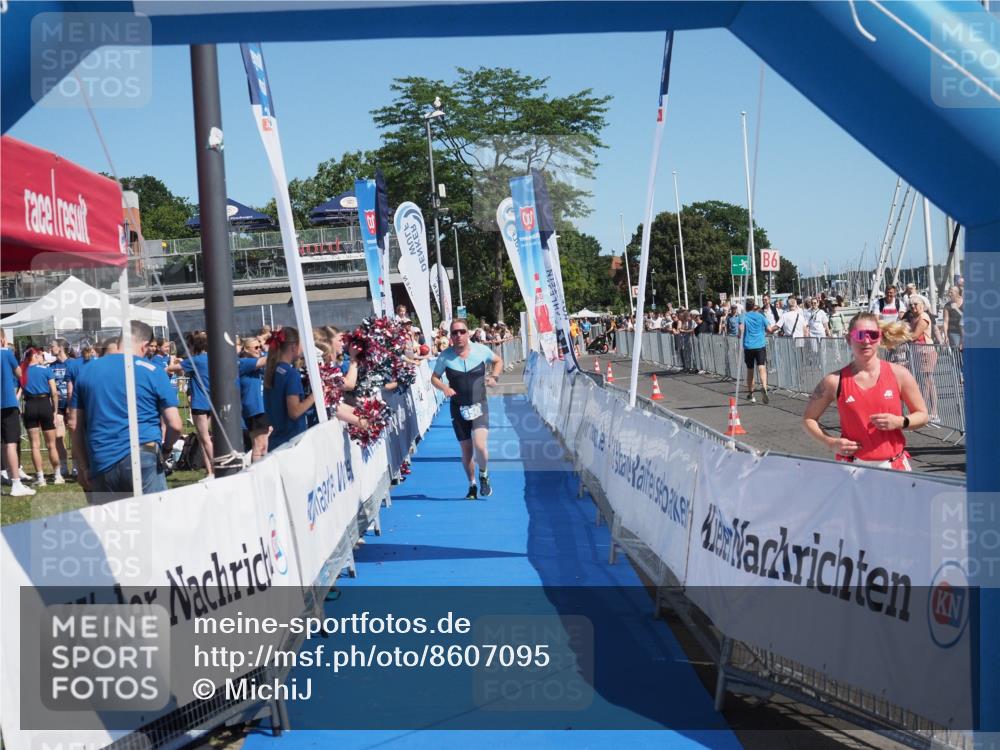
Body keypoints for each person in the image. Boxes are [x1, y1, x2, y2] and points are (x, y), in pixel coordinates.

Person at [72, 321, 181, 501]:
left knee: (110, 526)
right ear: (145, 345)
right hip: (144, 453)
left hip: (101, 457)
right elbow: (175, 425)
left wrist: (83, 467)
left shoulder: (87, 370)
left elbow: (74, 424)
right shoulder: (153, 371)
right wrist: (167, 449)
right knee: (154, 522)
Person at [802, 312, 926, 470]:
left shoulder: (899, 374)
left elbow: (922, 415)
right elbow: (808, 419)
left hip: (894, 466)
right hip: (852, 468)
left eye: (872, 335)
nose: (866, 341)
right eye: (860, 335)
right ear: (849, 339)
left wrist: (900, 422)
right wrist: (831, 442)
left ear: (879, 338)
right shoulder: (834, 381)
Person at [431, 318, 503, 500]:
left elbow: (498, 361)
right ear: (451, 336)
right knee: (467, 451)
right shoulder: (445, 356)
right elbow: (434, 378)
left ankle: (484, 473)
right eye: (454, 333)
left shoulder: (480, 350)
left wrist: (494, 377)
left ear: (468, 332)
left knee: (480, 445)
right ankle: (472, 485)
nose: (458, 335)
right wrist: (444, 388)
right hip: (458, 408)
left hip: (479, 404)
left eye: (462, 331)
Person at [20, 348, 63, 485]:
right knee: (51, 444)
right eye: (40, 355)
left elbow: (19, 392)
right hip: (45, 404)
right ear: (35, 356)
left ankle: (40, 478)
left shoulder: (22, 371)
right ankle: (57, 476)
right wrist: (55, 411)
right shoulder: (45, 370)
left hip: (30, 405)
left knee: (34, 445)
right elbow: (54, 393)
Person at [1, 333, 35, 496]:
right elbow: (19, 374)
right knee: (10, 444)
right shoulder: (6, 353)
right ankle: (16, 482)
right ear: (2, 339)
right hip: (7, 403)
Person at [177, 331, 214, 475]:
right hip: (212, 403)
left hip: (200, 404)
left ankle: (214, 469)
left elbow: (174, 368)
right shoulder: (212, 359)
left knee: (205, 439)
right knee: (203, 438)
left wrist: (172, 364)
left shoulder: (195, 361)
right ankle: (209, 471)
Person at [906, 295, 940, 423]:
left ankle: (929, 412)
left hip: (926, 351)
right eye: (911, 305)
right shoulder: (913, 318)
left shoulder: (924, 317)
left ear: (922, 305)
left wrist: (901, 337)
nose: (913, 307)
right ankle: (929, 412)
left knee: (927, 382)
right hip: (917, 352)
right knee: (925, 382)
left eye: (915, 304)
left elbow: (914, 335)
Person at [238, 337, 271, 462]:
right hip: (254, 408)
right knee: (258, 444)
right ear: (246, 349)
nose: (259, 350)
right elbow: (268, 360)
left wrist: (265, 348)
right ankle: (255, 473)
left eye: (259, 347)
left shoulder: (255, 361)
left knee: (264, 444)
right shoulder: (243, 362)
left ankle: (261, 472)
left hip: (262, 407)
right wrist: (269, 348)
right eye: (256, 348)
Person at [48, 338, 72, 477]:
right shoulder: (51, 366)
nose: (50, 349)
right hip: (58, 406)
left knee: (75, 436)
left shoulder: (72, 364)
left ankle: (76, 465)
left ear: (60, 348)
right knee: (58, 436)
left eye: (52, 347)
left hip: (73, 405)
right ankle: (64, 466)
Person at [739, 301, 770, 403]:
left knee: (750, 370)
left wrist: (740, 335)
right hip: (760, 345)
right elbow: (769, 328)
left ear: (746, 308)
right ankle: (764, 387)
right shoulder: (760, 316)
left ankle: (751, 394)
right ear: (754, 307)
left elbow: (740, 329)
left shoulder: (743, 316)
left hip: (748, 346)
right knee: (762, 367)